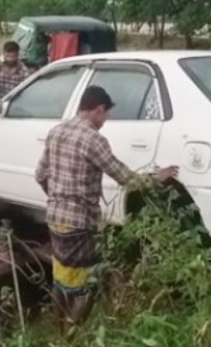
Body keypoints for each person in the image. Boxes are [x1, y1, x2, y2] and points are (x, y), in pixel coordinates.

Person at [35, 85, 178, 326]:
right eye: (106, 114)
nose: (105, 120)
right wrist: (156, 179)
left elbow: (40, 174)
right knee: (87, 284)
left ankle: (59, 333)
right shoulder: (94, 139)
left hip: (55, 219)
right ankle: (71, 337)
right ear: (98, 110)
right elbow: (126, 178)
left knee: (62, 277)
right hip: (79, 224)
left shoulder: (56, 131)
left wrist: (57, 199)